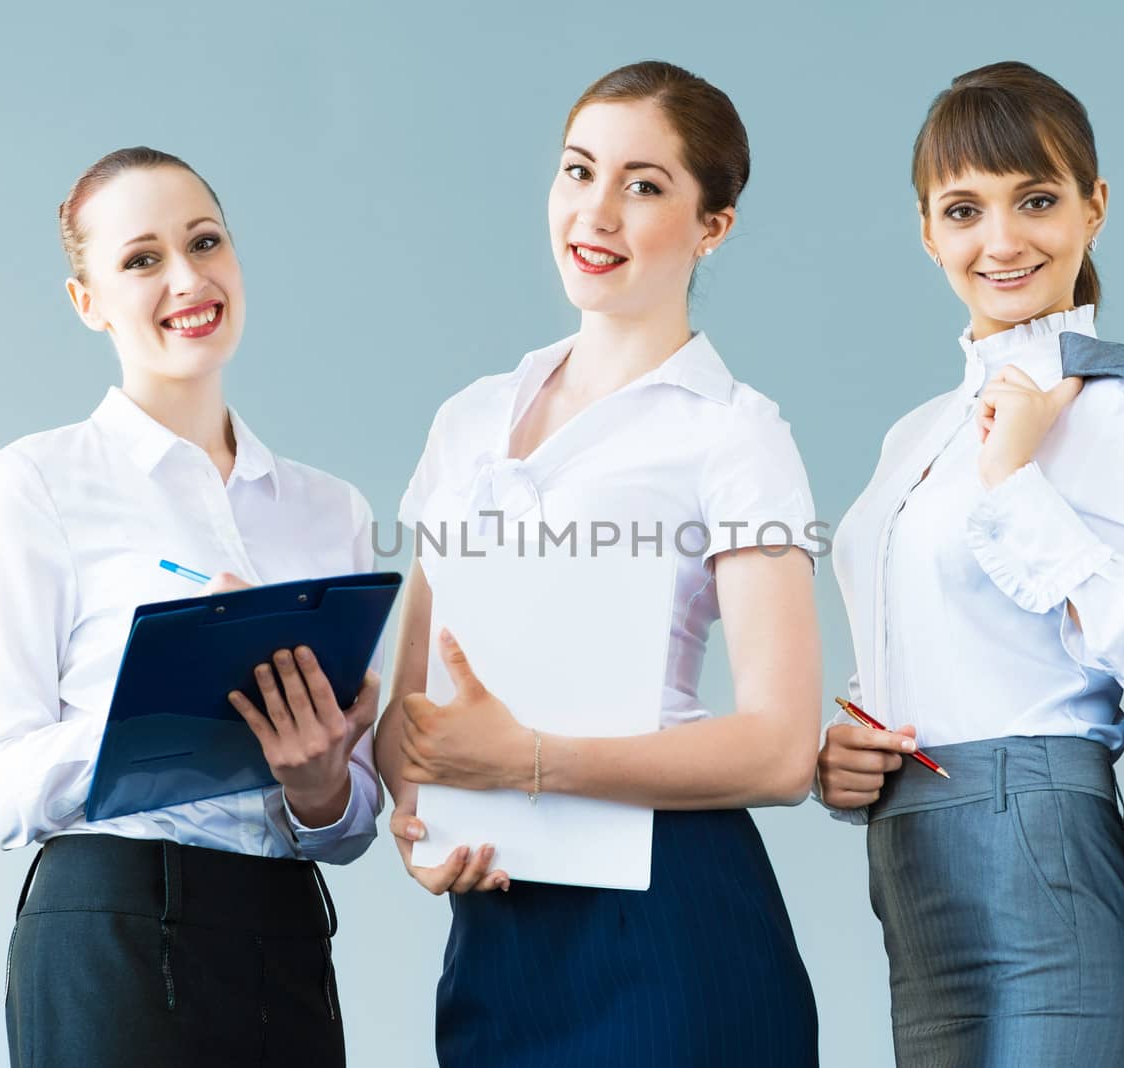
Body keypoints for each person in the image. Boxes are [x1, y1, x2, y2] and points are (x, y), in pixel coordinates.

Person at [375, 61, 822, 1066]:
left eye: (645, 184)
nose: (598, 211)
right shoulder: (469, 419)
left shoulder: (734, 435)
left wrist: (532, 763)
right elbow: (410, 710)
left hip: (672, 914)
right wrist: (421, 822)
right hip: (500, 929)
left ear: (715, 225)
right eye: (579, 172)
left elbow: (783, 748)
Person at [816, 62, 1124, 1063]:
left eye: (1034, 199)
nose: (1000, 240)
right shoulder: (913, 435)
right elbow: (923, 653)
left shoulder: (1115, 412)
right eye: (963, 209)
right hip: (912, 869)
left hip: (1046, 860)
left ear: (1094, 207)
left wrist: (1013, 482)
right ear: (926, 231)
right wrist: (846, 754)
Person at [0, 147, 380, 1067]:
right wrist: (163, 698)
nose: (187, 277)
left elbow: (349, 826)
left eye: (205, 242)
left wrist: (320, 786)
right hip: (109, 924)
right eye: (142, 259)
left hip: (285, 933)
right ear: (89, 302)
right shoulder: (39, 480)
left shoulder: (331, 509)